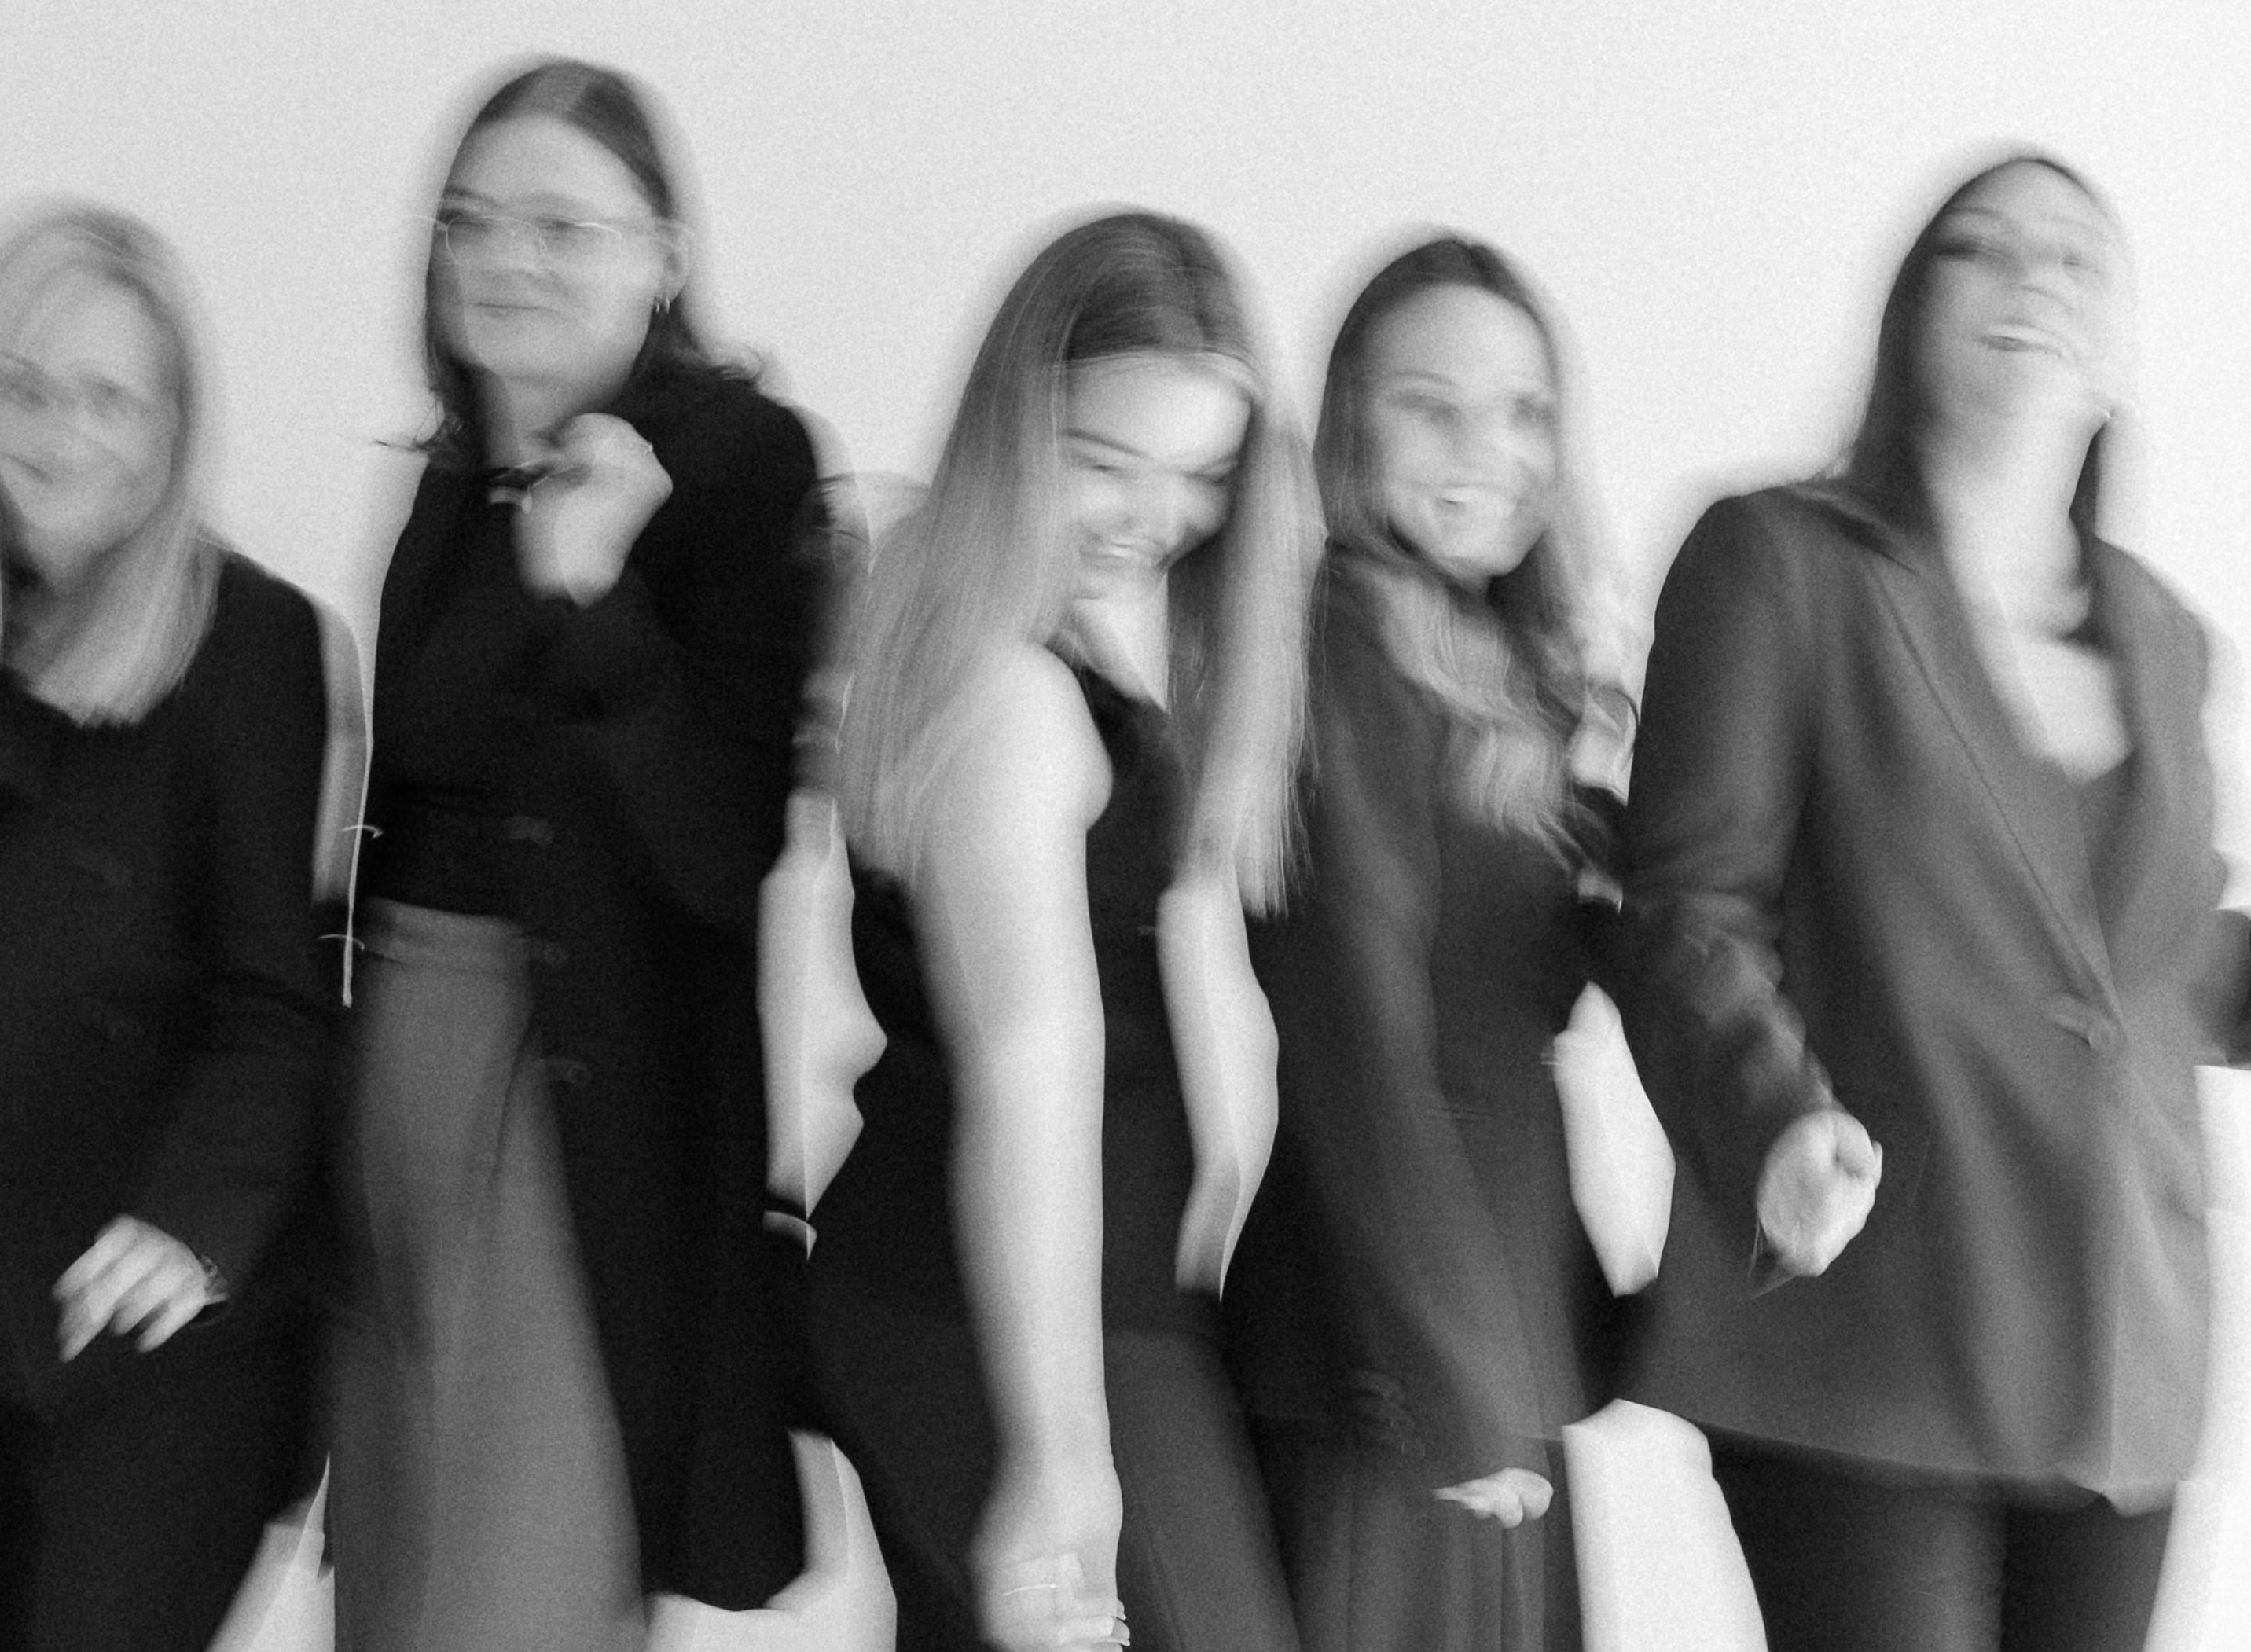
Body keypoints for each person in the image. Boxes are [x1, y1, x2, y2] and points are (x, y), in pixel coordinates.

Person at [1614, 152, 2251, 1652]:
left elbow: (2152, 960)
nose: (2032, 279)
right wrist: (1771, 1116)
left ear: (2117, 345)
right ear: (1907, 311)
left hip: (2120, 1336)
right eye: (1983, 248)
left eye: (2075, 257)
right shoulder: (1775, 559)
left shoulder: (2163, 635)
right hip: (1869, 1311)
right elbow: (1689, 908)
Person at [328, 57, 824, 1650]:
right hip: (393, 1066)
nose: (505, 259)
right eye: (470, 221)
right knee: (397, 1565)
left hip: (573, 1088)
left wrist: (595, 593)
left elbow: (721, 850)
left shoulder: (738, 465)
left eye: (561, 226)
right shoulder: (447, 474)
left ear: (662, 257)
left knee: (517, 1587)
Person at [804, 210, 1320, 1651]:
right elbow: (1029, 1065)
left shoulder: (990, 629)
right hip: (1017, 1323)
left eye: (1201, 474)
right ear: (1013, 423)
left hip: (1015, 1301)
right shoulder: (1014, 696)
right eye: (1104, 460)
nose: (1154, 518)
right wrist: (1060, 1452)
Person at [0, 202, 333, 1650]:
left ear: (173, 426)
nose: (65, 433)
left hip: (150, 1328)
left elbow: (275, 998)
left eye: (111, 397)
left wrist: (195, 1224)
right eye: (26, 388)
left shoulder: (249, 642)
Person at [1228, 235, 1631, 1652]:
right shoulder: (1343, 642)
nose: (1488, 453)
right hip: (1394, 1359)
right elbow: (1354, 1028)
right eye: (1430, 407)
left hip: (1492, 1328)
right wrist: (1449, 1371)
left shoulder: (1501, 667)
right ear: (1347, 423)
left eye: (1524, 412)